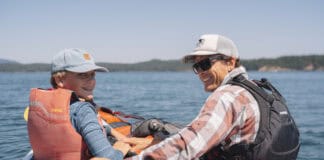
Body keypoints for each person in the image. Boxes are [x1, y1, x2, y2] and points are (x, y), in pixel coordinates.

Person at [127, 34, 299, 160]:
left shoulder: (227, 96)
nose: (200, 72)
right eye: (197, 67)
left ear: (230, 62)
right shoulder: (256, 88)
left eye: (206, 64)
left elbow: (188, 146)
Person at [27, 48, 131, 160]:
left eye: (92, 75)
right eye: (83, 75)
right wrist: (121, 149)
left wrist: (115, 133)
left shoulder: (40, 107)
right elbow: (107, 157)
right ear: (60, 80)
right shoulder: (83, 111)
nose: (91, 81)